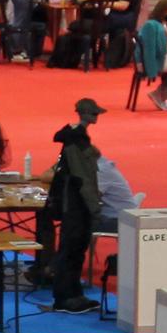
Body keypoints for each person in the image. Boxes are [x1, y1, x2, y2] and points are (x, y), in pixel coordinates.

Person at [41, 98, 106, 313]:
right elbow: (83, 178)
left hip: (73, 203)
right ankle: (67, 297)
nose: (96, 117)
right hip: (76, 206)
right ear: (86, 114)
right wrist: (94, 207)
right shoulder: (77, 143)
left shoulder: (74, 138)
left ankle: (72, 294)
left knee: (73, 249)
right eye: (94, 114)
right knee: (72, 249)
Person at [137, 0, 167, 112]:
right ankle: (159, 95)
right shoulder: (154, 26)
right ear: (162, 12)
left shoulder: (160, 25)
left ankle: (162, 96)